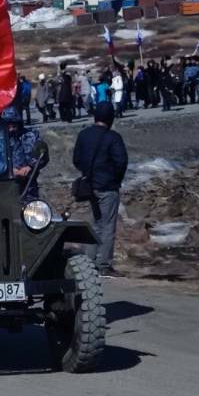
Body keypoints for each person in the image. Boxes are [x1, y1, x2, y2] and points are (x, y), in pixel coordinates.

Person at [72, 103, 128, 277]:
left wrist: (88, 173)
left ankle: (88, 262)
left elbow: (76, 159)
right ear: (110, 118)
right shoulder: (113, 137)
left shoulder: (84, 135)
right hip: (107, 186)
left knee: (96, 224)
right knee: (108, 225)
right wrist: (114, 179)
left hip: (89, 186)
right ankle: (104, 264)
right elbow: (121, 162)